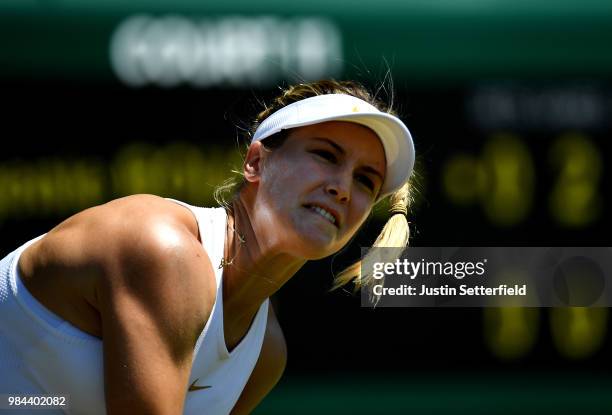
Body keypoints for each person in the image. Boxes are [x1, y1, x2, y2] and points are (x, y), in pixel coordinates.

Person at [0, 80, 415, 415]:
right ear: (256, 162)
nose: (342, 188)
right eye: (326, 155)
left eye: (365, 180)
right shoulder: (161, 249)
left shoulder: (265, 354)